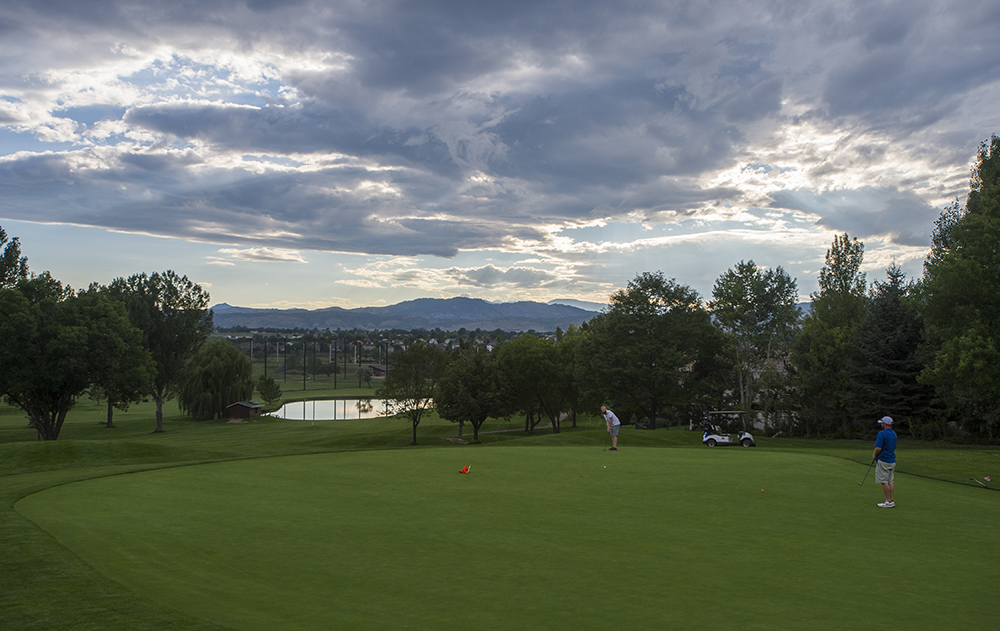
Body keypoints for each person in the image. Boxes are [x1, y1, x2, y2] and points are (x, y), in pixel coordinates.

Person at [873, 416, 897, 508]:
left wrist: (874, 455)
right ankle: (891, 500)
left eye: (882, 423)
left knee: (884, 481)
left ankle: (888, 501)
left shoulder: (881, 434)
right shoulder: (894, 434)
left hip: (883, 460)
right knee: (890, 481)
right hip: (892, 460)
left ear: (884, 424)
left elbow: (878, 448)